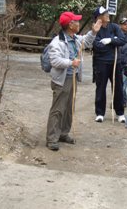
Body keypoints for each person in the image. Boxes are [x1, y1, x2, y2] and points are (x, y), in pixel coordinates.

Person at [46, 11, 98, 151]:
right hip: (62, 80)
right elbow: (55, 60)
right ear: (70, 25)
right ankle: (52, 139)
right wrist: (70, 62)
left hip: (73, 77)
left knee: (69, 108)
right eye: (76, 21)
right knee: (58, 109)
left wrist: (93, 32)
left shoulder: (74, 38)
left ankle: (63, 133)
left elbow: (86, 42)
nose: (78, 23)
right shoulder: (57, 42)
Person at [92, 6, 126, 123]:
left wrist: (110, 40)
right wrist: (113, 41)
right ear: (99, 17)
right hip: (101, 62)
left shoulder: (115, 27)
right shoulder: (96, 29)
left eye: (107, 13)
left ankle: (120, 112)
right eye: (104, 14)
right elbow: (97, 46)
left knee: (118, 88)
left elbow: (122, 40)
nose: (107, 15)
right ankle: (100, 113)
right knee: (100, 88)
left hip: (116, 61)